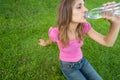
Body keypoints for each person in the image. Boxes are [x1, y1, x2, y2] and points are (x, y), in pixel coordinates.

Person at [39, 0, 120, 80]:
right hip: (68, 66)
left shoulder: (84, 26)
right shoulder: (56, 32)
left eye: (84, 5)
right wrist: (45, 43)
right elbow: (52, 39)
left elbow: (107, 42)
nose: (86, 9)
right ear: (66, 12)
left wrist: (116, 22)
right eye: (79, 7)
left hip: (82, 61)